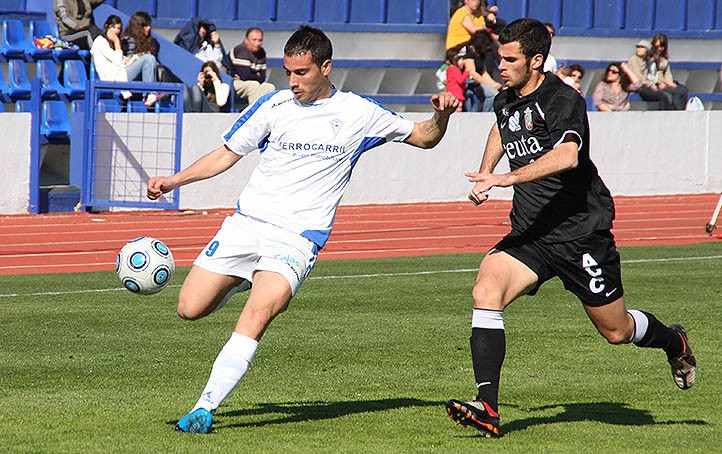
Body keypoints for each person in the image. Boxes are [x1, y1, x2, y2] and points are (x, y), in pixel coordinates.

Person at [146, 25, 459, 434]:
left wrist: (441, 115)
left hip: (296, 238)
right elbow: (227, 154)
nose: (293, 82)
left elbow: (423, 138)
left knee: (258, 313)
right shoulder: (275, 105)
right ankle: (242, 280)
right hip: (247, 224)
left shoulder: (358, 113)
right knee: (190, 308)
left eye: (302, 73)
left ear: (326, 67)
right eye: (288, 72)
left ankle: (205, 407)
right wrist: (174, 181)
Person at [445, 18, 696, 438]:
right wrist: (487, 172)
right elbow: (500, 128)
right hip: (531, 234)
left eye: (510, 59)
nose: (500, 66)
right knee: (485, 289)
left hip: (580, 234)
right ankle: (487, 406)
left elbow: (567, 156)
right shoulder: (506, 99)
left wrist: (506, 179)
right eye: (498, 57)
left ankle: (675, 343)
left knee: (616, 331)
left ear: (536, 60)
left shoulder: (563, 99)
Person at [90, 15, 158, 104]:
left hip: (119, 73)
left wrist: (133, 59)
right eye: (113, 27)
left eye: (118, 28)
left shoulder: (111, 43)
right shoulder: (100, 41)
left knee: (148, 58)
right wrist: (117, 42)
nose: (116, 31)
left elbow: (121, 61)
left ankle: (150, 95)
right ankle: (150, 94)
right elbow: (117, 61)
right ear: (106, 26)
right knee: (148, 59)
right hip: (112, 78)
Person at [229, 27, 276, 105]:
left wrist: (255, 76)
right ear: (246, 40)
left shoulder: (262, 52)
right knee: (253, 85)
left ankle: (266, 113)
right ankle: (253, 114)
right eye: (254, 40)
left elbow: (263, 77)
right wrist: (257, 75)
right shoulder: (241, 50)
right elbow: (245, 76)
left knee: (269, 87)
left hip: (248, 83)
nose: (257, 43)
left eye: (260, 40)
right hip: (232, 82)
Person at [626, 39, 676, 110]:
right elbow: (639, 78)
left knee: (672, 94)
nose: (639, 49)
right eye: (638, 47)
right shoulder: (634, 60)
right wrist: (650, 85)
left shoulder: (646, 61)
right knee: (663, 96)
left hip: (647, 86)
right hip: (639, 87)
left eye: (642, 47)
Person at [463, 29, 503, 112]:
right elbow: (472, 73)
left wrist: (494, 84)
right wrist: (490, 85)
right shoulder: (469, 51)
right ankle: (485, 115)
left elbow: (484, 73)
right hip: (469, 82)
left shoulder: (482, 54)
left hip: (479, 82)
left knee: (498, 94)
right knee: (493, 95)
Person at [650, 33, 688, 110]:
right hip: (657, 83)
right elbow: (654, 74)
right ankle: (677, 111)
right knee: (676, 93)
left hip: (665, 82)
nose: (660, 49)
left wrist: (670, 83)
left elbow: (668, 73)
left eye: (662, 46)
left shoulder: (664, 59)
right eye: (657, 46)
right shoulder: (651, 58)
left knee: (682, 90)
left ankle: (681, 110)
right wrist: (667, 83)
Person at [445, 47, 468, 112]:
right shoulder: (455, 69)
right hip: (456, 94)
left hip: (453, 94)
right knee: (458, 108)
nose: (463, 61)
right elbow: (460, 80)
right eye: (461, 59)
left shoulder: (450, 69)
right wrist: (467, 72)